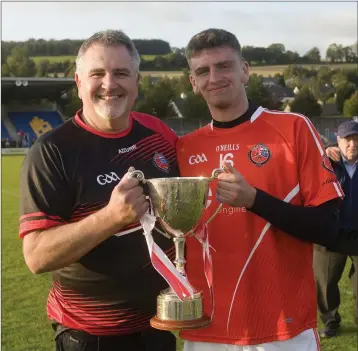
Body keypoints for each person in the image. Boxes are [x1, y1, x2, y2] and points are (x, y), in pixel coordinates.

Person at [176, 28, 343, 351]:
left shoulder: (293, 129)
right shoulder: (183, 148)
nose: (215, 77)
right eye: (203, 71)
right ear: (193, 83)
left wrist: (254, 200)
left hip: (283, 329)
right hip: (208, 328)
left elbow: (328, 229)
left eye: (224, 66)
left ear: (245, 70)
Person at [19, 30, 178, 351]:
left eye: (121, 73)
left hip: (160, 325)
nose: (109, 84)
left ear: (136, 82)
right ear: (78, 83)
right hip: (92, 336)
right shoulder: (53, 151)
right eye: (97, 74)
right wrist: (110, 218)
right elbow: (36, 256)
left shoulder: (158, 134)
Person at [314, 120, 358, 338]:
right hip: (332, 233)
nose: (353, 145)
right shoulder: (326, 161)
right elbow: (302, 155)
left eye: (356, 140)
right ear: (338, 140)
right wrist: (323, 150)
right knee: (326, 282)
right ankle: (330, 321)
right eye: (348, 140)